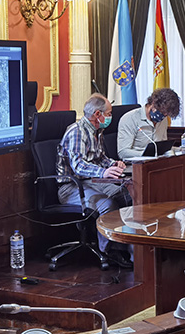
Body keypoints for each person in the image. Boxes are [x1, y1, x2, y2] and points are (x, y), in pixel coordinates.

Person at [57, 93, 133, 267]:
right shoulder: (76, 132)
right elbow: (79, 166)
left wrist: (115, 164)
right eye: (109, 113)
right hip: (71, 187)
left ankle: (129, 248)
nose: (110, 117)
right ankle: (108, 251)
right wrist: (103, 172)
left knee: (126, 195)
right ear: (98, 114)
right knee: (108, 204)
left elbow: (100, 158)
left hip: (90, 182)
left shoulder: (97, 131)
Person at [117, 88, 181, 159]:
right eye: (162, 112)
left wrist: (181, 149)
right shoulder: (130, 119)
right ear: (153, 104)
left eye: (166, 115)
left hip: (157, 163)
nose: (163, 116)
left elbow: (162, 147)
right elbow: (123, 152)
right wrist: (148, 155)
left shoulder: (164, 119)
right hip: (136, 165)